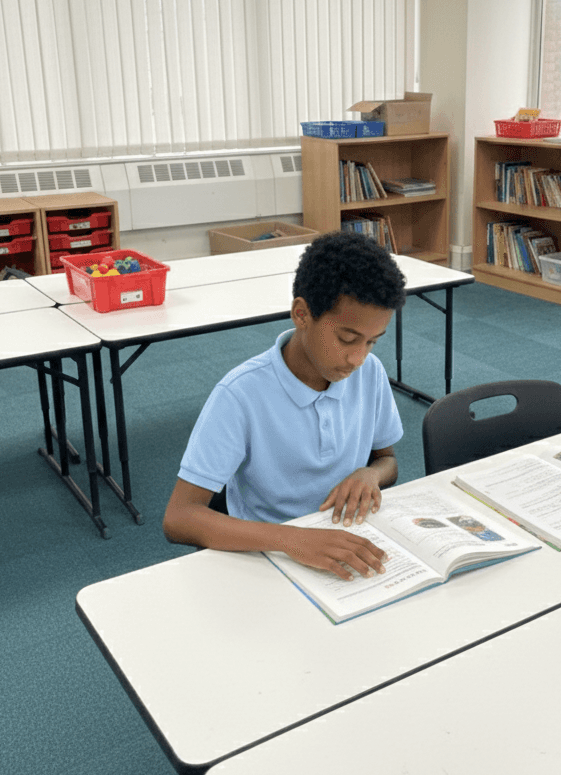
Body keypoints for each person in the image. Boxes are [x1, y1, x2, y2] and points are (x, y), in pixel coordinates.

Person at [163, 231, 406, 582]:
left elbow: (388, 460)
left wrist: (369, 473)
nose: (358, 358)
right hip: (266, 552)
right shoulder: (240, 395)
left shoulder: (370, 373)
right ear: (302, 314)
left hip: (341, 540)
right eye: (347, 339)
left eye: (372, 342)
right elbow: (179, 517)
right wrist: (293, 539)